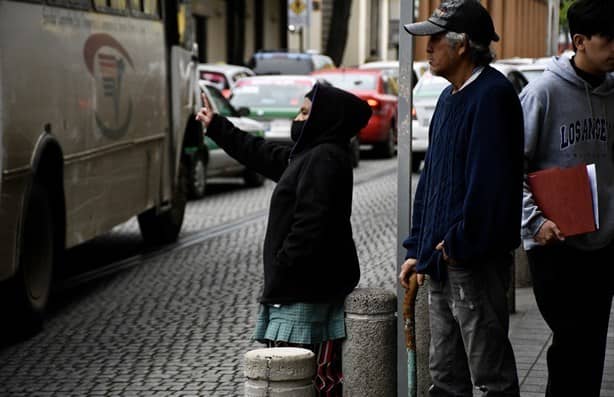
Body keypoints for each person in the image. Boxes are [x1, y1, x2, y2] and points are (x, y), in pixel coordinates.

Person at [196, 82, 371, 396]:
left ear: (324, 120)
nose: (298, 118)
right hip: (300, 291)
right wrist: (217, 126)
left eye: (305, 112)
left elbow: (310, 226)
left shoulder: (324, 159)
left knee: (299, 382)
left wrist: (282, 266)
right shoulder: (311, 155)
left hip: (304, 295)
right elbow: (263, 154)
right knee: (295, 380)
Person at [398, 1, 524, 396]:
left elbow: (491, 187)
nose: (427, 48)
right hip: (442, 260)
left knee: (489, 375)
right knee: (445, 374)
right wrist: (419, 247)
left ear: (463, 44)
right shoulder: (450, 97)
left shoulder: (492, 95)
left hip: (472, 262)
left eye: (434, 39)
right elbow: (432, 179)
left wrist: (457, 245)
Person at [519, 1, 614, 396]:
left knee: (591, 346)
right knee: (571, 341)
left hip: (604, 244)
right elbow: (510, 168)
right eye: (608, 38)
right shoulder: (542, 92)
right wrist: (534, 223)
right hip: (555, 245)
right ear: (580, 41)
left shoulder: (612, 94)